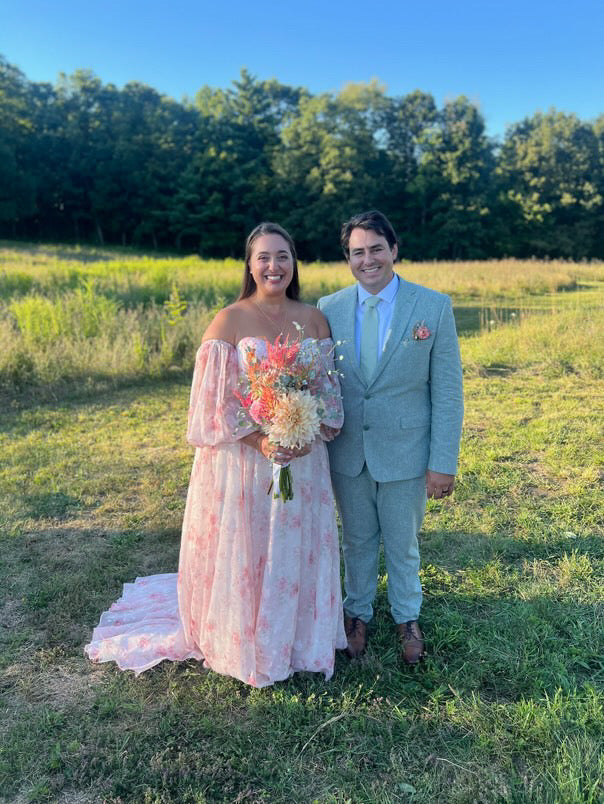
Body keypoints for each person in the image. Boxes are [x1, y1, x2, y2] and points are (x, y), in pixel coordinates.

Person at [86, 222, 346, 687]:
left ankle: (299, 636)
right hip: (245, 463)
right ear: (249, 264)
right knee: (250, 547)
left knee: (293, 546)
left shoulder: (314, 319)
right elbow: (214, 404)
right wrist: (262, 440)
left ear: (294, 262)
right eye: (264, 257)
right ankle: (244, 637)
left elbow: (327, 394)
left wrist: (307, 431)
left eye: (283, 256)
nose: (274, 266)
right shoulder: (228, 321)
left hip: (302, 463)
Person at [317, 210, 463, 665]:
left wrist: (443, 461)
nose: (368, 260)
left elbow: (448, 391)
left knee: (402, 542)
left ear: (394, 249)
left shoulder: (432, 307)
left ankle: (407, 618)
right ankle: (356, 614)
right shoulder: (329, 309)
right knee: (356, 539)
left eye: (376, 248)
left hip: (407, 453)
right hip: (349, 453)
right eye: (357, 252)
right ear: (348, 258)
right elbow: (322, 383)